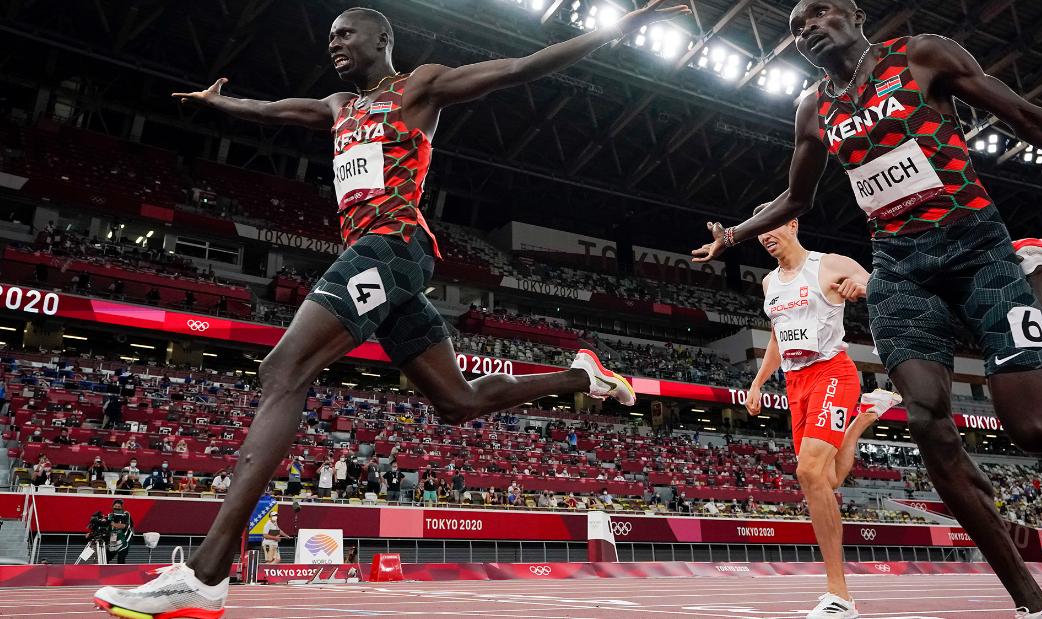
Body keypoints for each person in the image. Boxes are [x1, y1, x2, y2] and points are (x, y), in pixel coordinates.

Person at [94, 5, 684, 616]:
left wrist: (628, 22)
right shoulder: (338, 107)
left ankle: (206, 571)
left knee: (281, 371)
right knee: (458, 402)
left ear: (383, 38)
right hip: (382, 263)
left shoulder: (419, 86)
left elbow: (521, 67)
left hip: (394, 246)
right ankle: (581, 375)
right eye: (329, 37)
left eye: (345, 33)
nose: (334, 44)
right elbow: (274, 111)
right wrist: (221, 103)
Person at [691, 1, 1042, 616]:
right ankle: (1031, 604)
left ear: (854, 15)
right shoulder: (814, 108)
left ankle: (1036, 277)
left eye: (819, 12)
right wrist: (735, 236)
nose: (806, 27)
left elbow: (1022, 115)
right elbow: (797, 195)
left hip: (977, 250)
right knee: (929, 424)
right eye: (796, 25)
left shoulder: (920, 57)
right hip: (900, 267)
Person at [742, 201, 901, 615]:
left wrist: (861, 288)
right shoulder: (769, 284)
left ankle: (840, 595)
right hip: (796, 384)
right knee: (826, 479)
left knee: (808, 471)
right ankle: (864, 416)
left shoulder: (828, 265)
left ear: (792, 223)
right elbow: (777, 339)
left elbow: (881, 286)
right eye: (759, 231)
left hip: (833, 372)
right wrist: (758, 383)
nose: (765, 235)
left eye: (772, 225)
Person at [106, 500, 133, 564]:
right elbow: (106, 526)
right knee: (107, 556)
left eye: (119, 506)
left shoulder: (126, 514)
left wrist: (112, 523)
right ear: (112, 507)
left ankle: (121, 571)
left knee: (121, 557)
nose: (117, 507)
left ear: (122, 507)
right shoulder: (110, 515)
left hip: (126, 537)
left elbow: (124, 526)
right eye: (115, 506)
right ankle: (105, 571)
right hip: (114, 535)